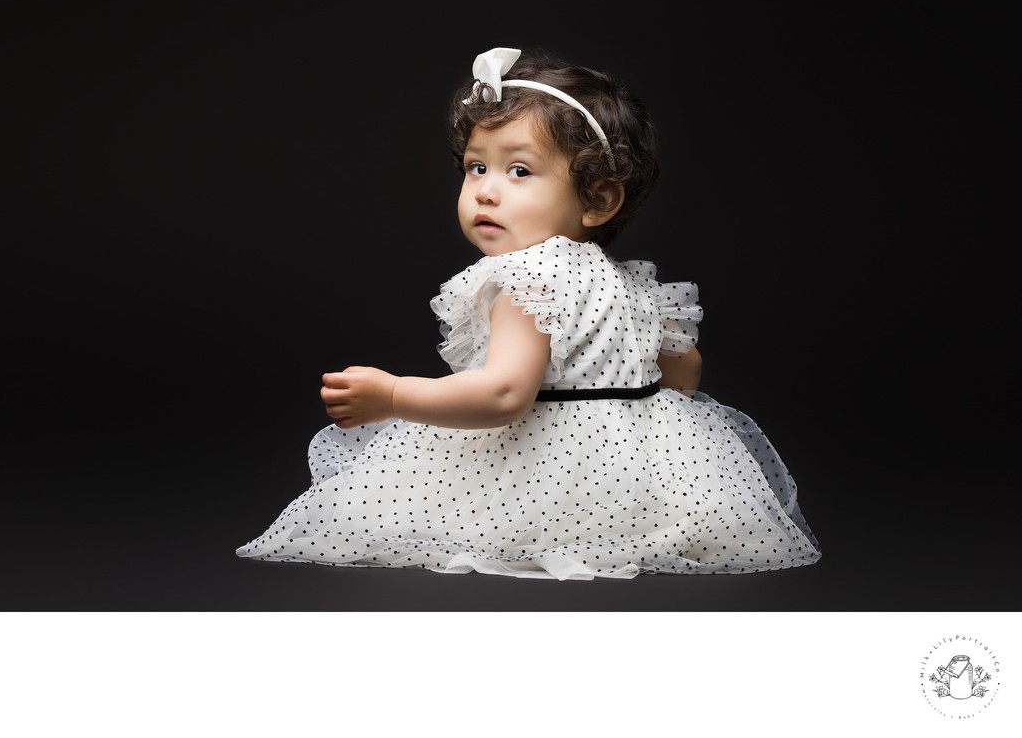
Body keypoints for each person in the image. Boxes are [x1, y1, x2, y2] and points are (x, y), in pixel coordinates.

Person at [235, 47, 821, 580]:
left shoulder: (524, 281)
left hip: (550, 474)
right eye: (476, 167)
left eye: (519, 171)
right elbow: (684, 372)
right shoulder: (623, 282)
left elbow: (503, 397)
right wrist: (629, 418)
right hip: (630, 478)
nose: (486, 191)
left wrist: (393, 396)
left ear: (597, 199)